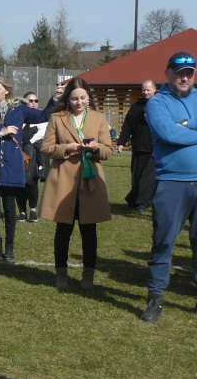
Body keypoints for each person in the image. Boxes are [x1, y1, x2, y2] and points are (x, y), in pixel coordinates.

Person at [0, 75, 59, 263]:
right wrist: (0, 133)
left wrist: (55, 99)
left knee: (10, 207)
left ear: (6, 90)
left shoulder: (18, 109)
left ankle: (9, 246)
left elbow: (43, 116)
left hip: (11, 164)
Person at [39, 78, 113, 291]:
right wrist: (67, 148)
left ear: (88, 97)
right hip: (64, 180)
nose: (79, 102)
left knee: (89, 230)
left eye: (82, 98)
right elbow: (46, 148)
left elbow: (107, 151)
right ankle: (60, 274)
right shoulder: (57, 118)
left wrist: (97, 148)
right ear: (67, 98)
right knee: (64, 229)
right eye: (74, 98)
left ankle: (88, 275)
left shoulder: (99, 118)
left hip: (90, 181)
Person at [140, 52, 197, 322]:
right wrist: (183, 130)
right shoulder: (157, 103)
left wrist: (187, 128)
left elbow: (180, 132)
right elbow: (169, 133)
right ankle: (155, 298)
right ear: (168, 74)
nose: (184, 77)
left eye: (189, 72)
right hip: (172, 181)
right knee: (164, 242)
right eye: (178, 72)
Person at [117, 79, 157, 213]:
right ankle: (134, 200)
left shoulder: (160, 106)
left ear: (154, 89)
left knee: (147, 178)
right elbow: (128, 126)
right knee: (136, 176)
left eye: (148, 90)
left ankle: (143, 203)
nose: (145, 92)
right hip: (138, 147)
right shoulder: (136, 107)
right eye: (144, 90)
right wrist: (121, 142)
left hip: (153, 149)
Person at [16, 92, 46, 223]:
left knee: (31, 181)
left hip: (34, 154)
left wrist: (25, 138)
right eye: (30, 100)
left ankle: (33, 210)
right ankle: (22, 211)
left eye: (36, 100)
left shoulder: (41, 118)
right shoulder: (19, 117)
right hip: (19, 153)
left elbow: (38, 136)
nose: (34, 103)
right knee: (19, 183)